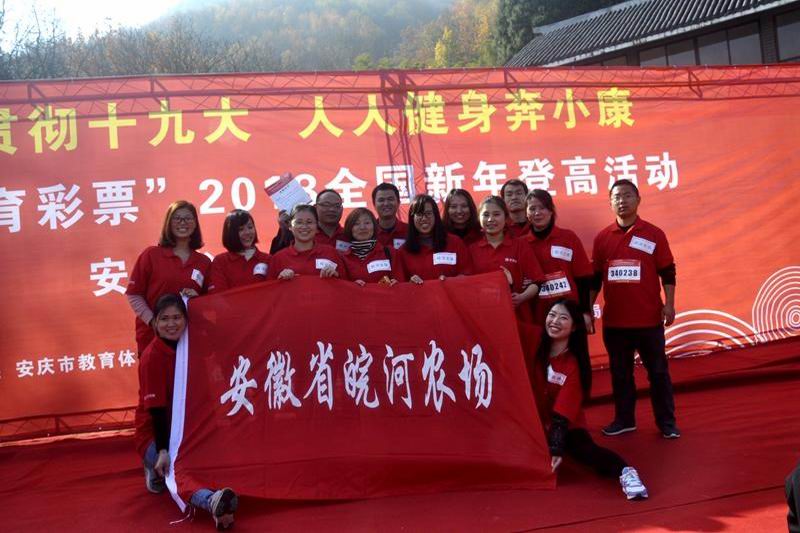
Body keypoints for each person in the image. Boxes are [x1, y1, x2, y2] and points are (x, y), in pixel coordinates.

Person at [135, 293, 238, 529]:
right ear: (155, 322)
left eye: (177, 318)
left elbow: (219, 335)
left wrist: (199, 304)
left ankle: (222, 507)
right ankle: (210, 500)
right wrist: (162, 450)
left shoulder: (191, 347)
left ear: (186, 320)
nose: (171, 324)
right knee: (178, 468)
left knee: (213, 460)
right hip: (156, 436)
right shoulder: (152, 357)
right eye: (164, 319)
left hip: (189, 430)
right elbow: (157, 411)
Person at [589, 179, 680, 439]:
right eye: (616, 197)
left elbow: (667, 271)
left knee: (658, 373)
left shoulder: (653, 234)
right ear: (610, 203)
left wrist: (669, 304)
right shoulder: (602, 238)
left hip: (649, 320)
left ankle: (667, 422)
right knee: (620, 375)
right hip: (616, 323)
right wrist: (587, 309)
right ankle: (625, 419)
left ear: (638, 200)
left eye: (627, 195)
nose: (622, 201)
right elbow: (595, 278)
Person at [536, 299, 648, 501]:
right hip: (532, 420)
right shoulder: (534, 344)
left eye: (563, 318)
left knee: (585, 451)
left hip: (565, 425)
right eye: (551, 315)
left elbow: (562, 415)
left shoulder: (574, 366)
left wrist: (555, 448)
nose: (555, 321)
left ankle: (626, 472)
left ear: (574, 327)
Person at [126, 200, 211, 355]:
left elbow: (210, 302)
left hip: (190, 339)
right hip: (152, 338)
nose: (183, 222)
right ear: (168, 223)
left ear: (195, 224)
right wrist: (153, 322)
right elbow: (134, 294)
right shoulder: (151, 255)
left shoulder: (204, 262)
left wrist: (198, 300)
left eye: (188, 218)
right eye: (177, 218)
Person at [524, 189, 594, 327]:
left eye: (542, 207)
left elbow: (583, 278)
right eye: (532, 209)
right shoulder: (522, 244)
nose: (537, 213)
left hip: (570, 313)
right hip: (536, 316)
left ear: (551, 210)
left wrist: (585, 311)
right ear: (526, 213)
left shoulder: (568, 238)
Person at [469, 196, 543, 316]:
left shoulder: (520, 245)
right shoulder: (472, 249)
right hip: (483, 315)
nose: (490, 219)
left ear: (506, 217)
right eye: (486, 215)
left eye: (496, 214)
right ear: (479, 218)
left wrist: (522, 297)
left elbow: (537, 281)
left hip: (517, 315)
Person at [396, 194, 471, 283]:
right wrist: (410, 284)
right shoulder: (403, 252)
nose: (424, 218)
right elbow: (400, 285)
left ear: (436, 215)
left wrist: (451, 282)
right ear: (412, 218)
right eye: (419, 214)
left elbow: (468, 275)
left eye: (428, 213)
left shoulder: (455, 243)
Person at [267, 204, 343, 281]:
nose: (304, 226)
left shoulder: (331, 253)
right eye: (299, 222)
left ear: (317, 226)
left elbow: (345, 284)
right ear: (290, 226)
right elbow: (270, 287)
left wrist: (336, 276)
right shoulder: (278, 259)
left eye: (309, 222)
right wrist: (280, 280)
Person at [208, 209, 270, 293]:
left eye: (250, 227)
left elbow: (274, 292)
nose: (247, 232)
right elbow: (219, 295)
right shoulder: (220, 262)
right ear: (230, 233)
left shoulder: (268, 259)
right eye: (241, 229)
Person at [338, 207, 400, 285]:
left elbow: (401, 282)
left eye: (367, 223)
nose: (362, 227)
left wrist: (396, 283)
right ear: (349, 228)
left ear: (374, 226)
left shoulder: (389, 253)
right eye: (356, 224)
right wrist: (351, 285)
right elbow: (341, 287)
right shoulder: (343, 258)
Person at [371, 182, 408, 250]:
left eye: (390, 199)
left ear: (398, 202)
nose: (386, 203)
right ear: (374, 204)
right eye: (381, 200)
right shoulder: (368, 232)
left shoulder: (410, 231)